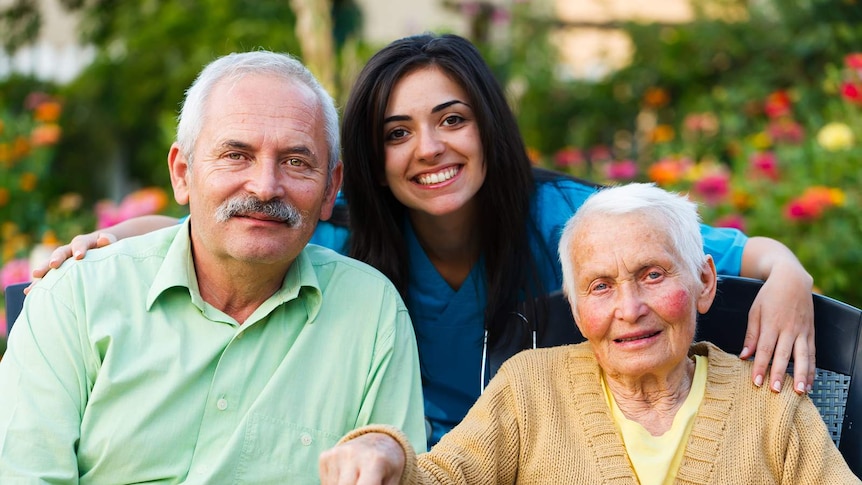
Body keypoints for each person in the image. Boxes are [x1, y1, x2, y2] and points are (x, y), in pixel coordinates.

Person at [30, 33, 816, 448]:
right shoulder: (353, 232)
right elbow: (242, 216)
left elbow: (734, 254)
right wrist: (124, 240)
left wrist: (787, 276)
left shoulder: (565, 218)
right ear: (367, 162)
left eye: (451, 119)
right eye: (397, 132)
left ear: (487, 127)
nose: (428, 149)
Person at [0, 51, 425, 482]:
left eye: (296, 161)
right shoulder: (77, 298)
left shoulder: (372, 313)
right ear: (182, 173)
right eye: (236, 155)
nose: (265, 187)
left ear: (330, 187)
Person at [317, 182, 859, 485]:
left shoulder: (770, 403)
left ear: (704, 283)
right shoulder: (529, 388)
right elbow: (443, 478)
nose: (630, 308)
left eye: (652, 275)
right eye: (600, 286)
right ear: (575, 309)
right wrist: (385, 452)